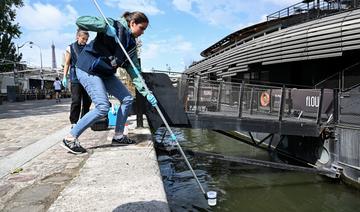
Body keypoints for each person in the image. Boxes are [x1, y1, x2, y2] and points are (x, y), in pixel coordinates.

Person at [61, 11, 157, 154]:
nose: (143, 32)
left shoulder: (130, 46)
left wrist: (146, 92)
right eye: (142, 28)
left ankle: (118, 136)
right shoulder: (112, 24)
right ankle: (70, 137)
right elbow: (81, 20)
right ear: (132, 23)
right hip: (88, 68)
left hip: (105, 72)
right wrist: (104, 27)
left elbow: (135, 72)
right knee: (102, 106)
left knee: (127, 98)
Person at [62, 29, 92, 127]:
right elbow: (67, 63)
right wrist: (64, 77)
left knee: (87, 100)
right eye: (83, 38)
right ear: (77, 37)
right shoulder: (70, 48)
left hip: (86, 77)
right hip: (75, 77)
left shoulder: (88, 48)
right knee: (76, 100)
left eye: (86, 39)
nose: (85, 41)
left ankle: (83, 119)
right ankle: (74, 122)